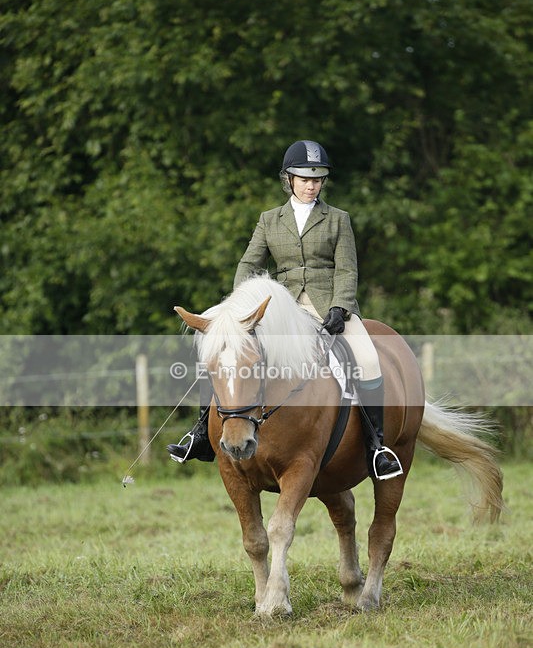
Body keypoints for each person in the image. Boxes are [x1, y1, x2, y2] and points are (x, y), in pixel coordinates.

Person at [168, 140, 402, 480]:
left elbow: (347, 270)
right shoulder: (269, 220)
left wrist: (340, 307)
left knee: (366, 359)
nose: (311, 185)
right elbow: (248, 263)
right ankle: (203, 434)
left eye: (317, 179)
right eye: (304, 179)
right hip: (281, 308)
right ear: (288, 180)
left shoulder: (338, 219)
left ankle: (376, 446)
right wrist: (241, 307)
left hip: (328, 306)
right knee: (225, 352)